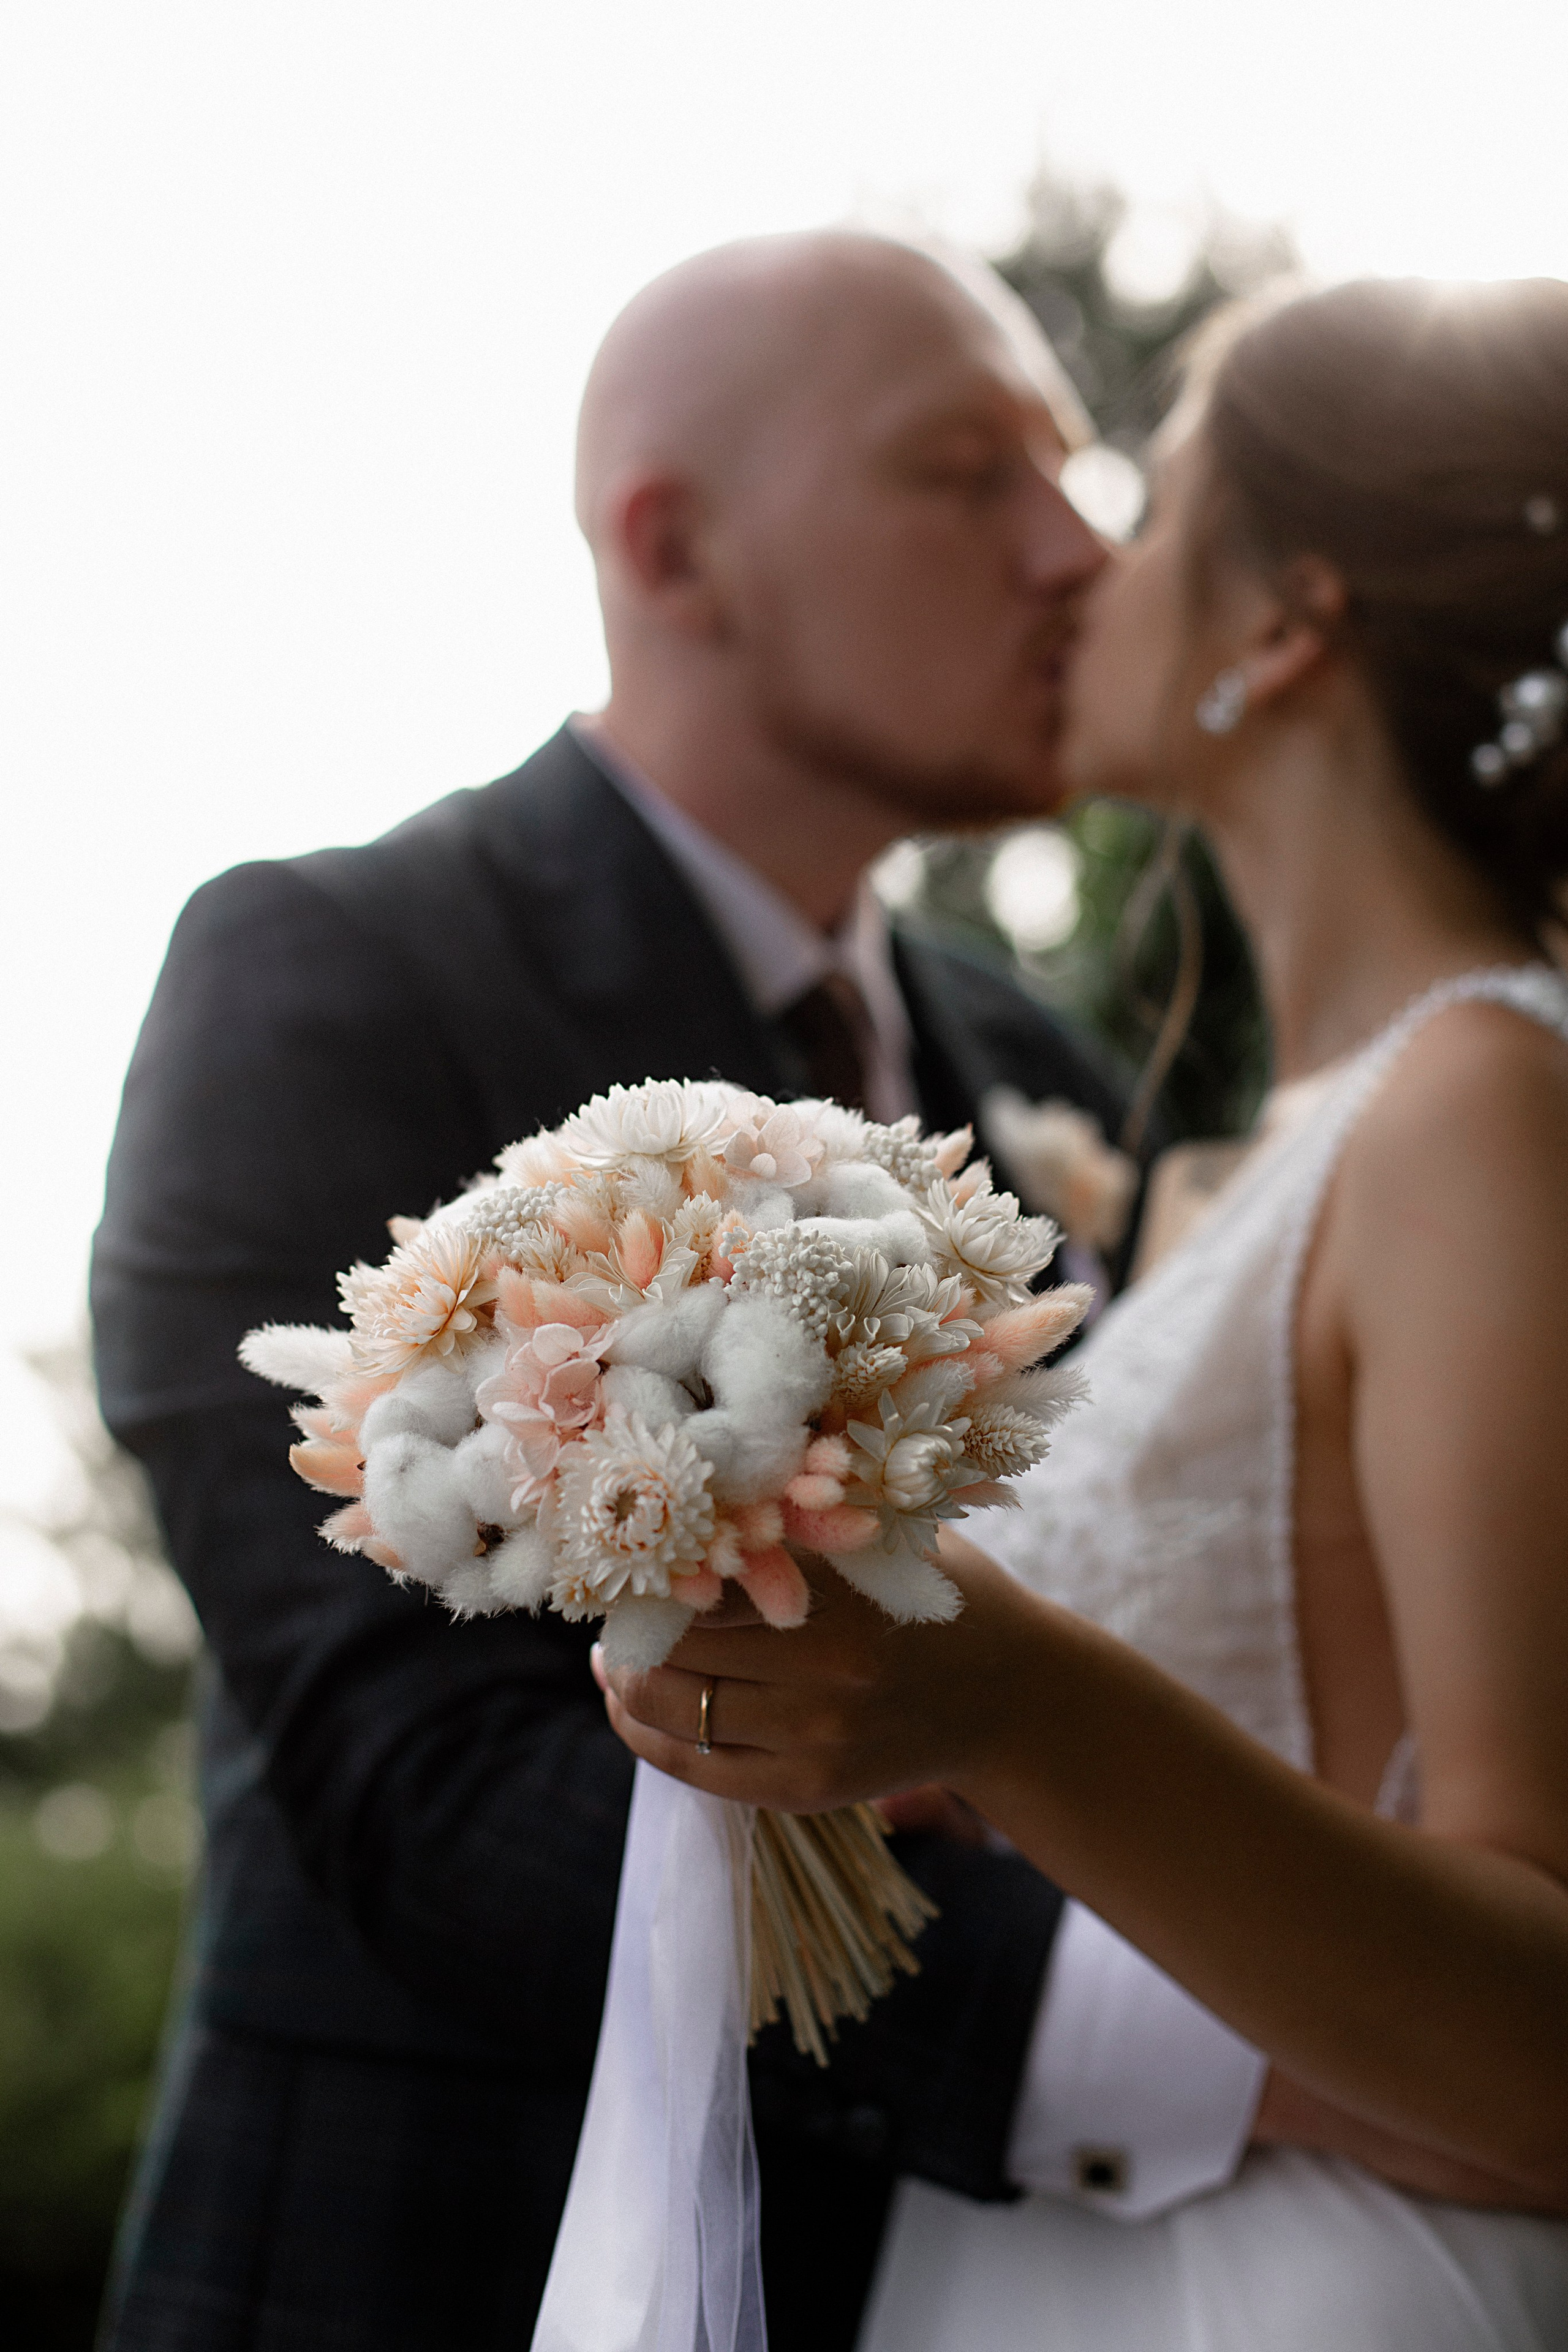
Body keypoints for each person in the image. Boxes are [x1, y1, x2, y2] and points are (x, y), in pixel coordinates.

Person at [89, 228, 1184, 2352]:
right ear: (679, 549)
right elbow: (411, 1770)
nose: (1078, 551)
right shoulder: (328, 972)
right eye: (970, 470)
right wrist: (1201, 2042)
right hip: (428, 2267)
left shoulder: (1028, 1058)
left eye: (1074, 475)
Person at [598, 273, 1568, 2348]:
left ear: (1285, 630)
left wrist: (1016, 1709)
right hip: (1052, 2255)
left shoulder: (1478, 1108)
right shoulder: (1264, 1148)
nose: (1077, 566)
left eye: (1149, 508)